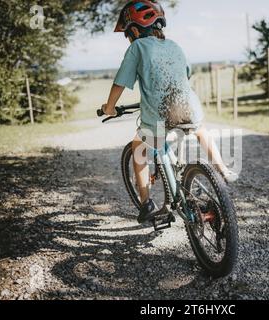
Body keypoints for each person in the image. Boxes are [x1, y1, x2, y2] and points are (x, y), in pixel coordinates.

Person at [101, 0, 238, 224]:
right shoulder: (175, 45)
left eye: (127, 34)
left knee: (139, 149)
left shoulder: (137, 47)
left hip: (158, 113)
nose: (128, 38)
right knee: (200, 130)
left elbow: (121, 82)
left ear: (134, 30)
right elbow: (186, 73)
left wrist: (109, 107)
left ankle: (146, 204)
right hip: (187, 107)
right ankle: (221, 169)